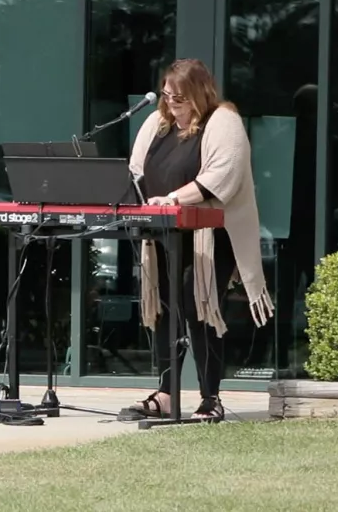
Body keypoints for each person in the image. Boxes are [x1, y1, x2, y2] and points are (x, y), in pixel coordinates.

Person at [121, 58, 274, 422]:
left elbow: (223, 176)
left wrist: (174, 198)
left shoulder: (223, 121)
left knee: (199, 303)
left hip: (211, 233)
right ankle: (166, 393)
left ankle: (211, 397)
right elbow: (136, 169)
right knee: (162, 308)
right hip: (164, 233)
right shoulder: (157, 123)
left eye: (180, 98)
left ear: (199, 95)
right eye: (167, 95)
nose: (171, 103)